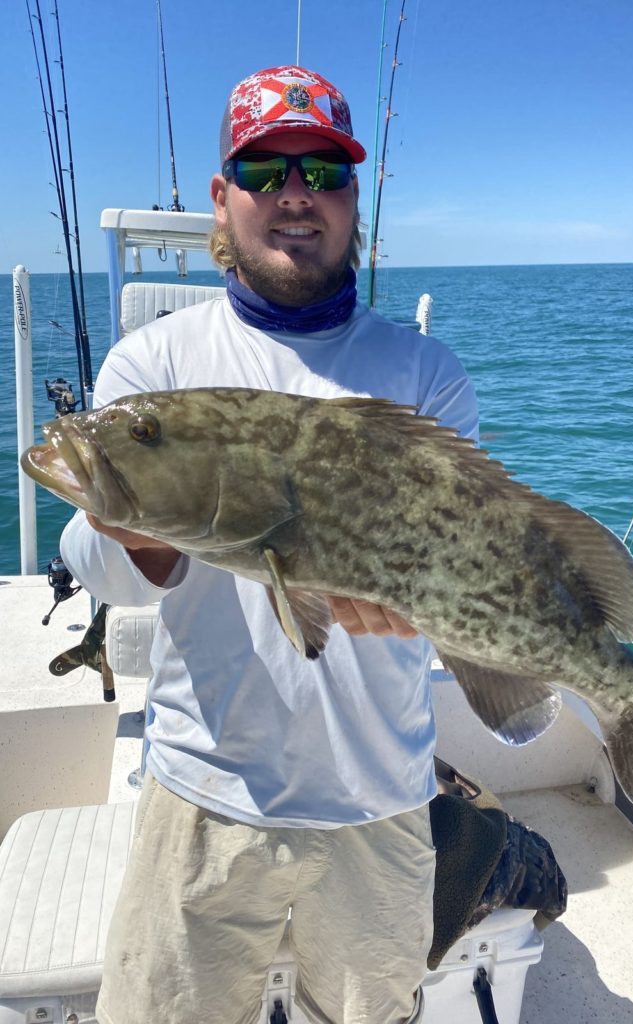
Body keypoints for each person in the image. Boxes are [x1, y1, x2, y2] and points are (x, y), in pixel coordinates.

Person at [61, 65, 479, 1024]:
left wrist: (415, 602)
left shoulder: (423, 373)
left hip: (381, 803)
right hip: (204, 797)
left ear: (352, 199)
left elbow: (462, 555)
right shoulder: (155, 368)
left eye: (325, 172)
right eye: (265, 169)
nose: (297, 193)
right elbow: (102, 571)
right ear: (224, 195)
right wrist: (139, 532)